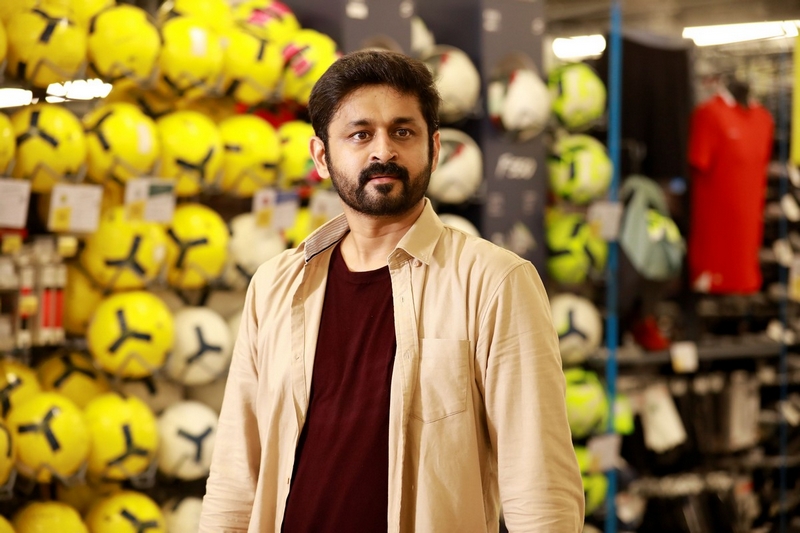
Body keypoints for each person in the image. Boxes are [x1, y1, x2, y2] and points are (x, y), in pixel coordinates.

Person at [199, 49, 584, 533]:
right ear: (322, 156)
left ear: (434, 149)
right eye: (360, 134)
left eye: (403, 132)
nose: (383, 151)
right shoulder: (276, 285)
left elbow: (540, 485)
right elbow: (236, 474)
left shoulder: (494, 282)